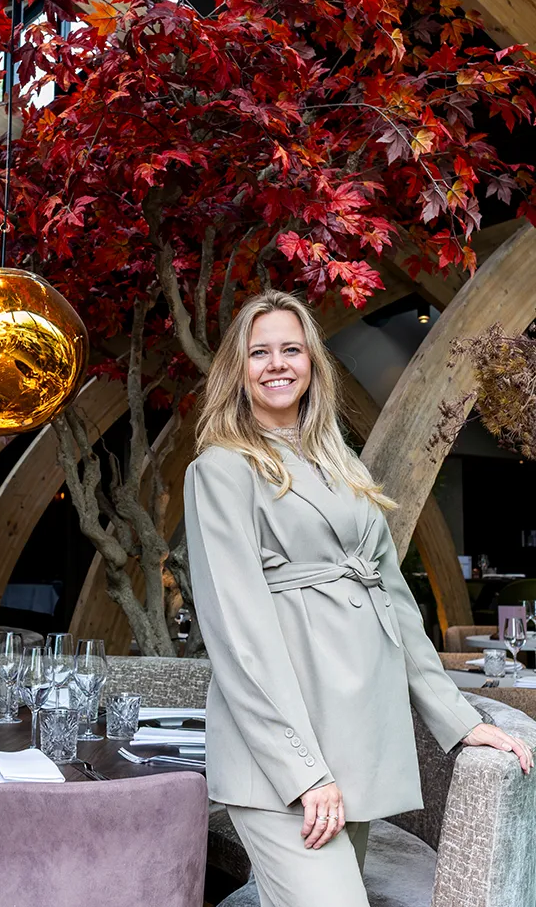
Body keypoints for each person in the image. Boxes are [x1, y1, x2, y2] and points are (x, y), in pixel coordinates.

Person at [183, 289, 533, 907]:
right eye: (258, 352)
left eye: (291, 349)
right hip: (285, 761)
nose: (277, 364)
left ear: (313, 361)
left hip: (359, 739)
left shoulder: (338, 461)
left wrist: (460, 720)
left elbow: (393, 602)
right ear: (237, 371)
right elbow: (240, 637)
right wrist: (302, 772)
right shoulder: (221, 469)